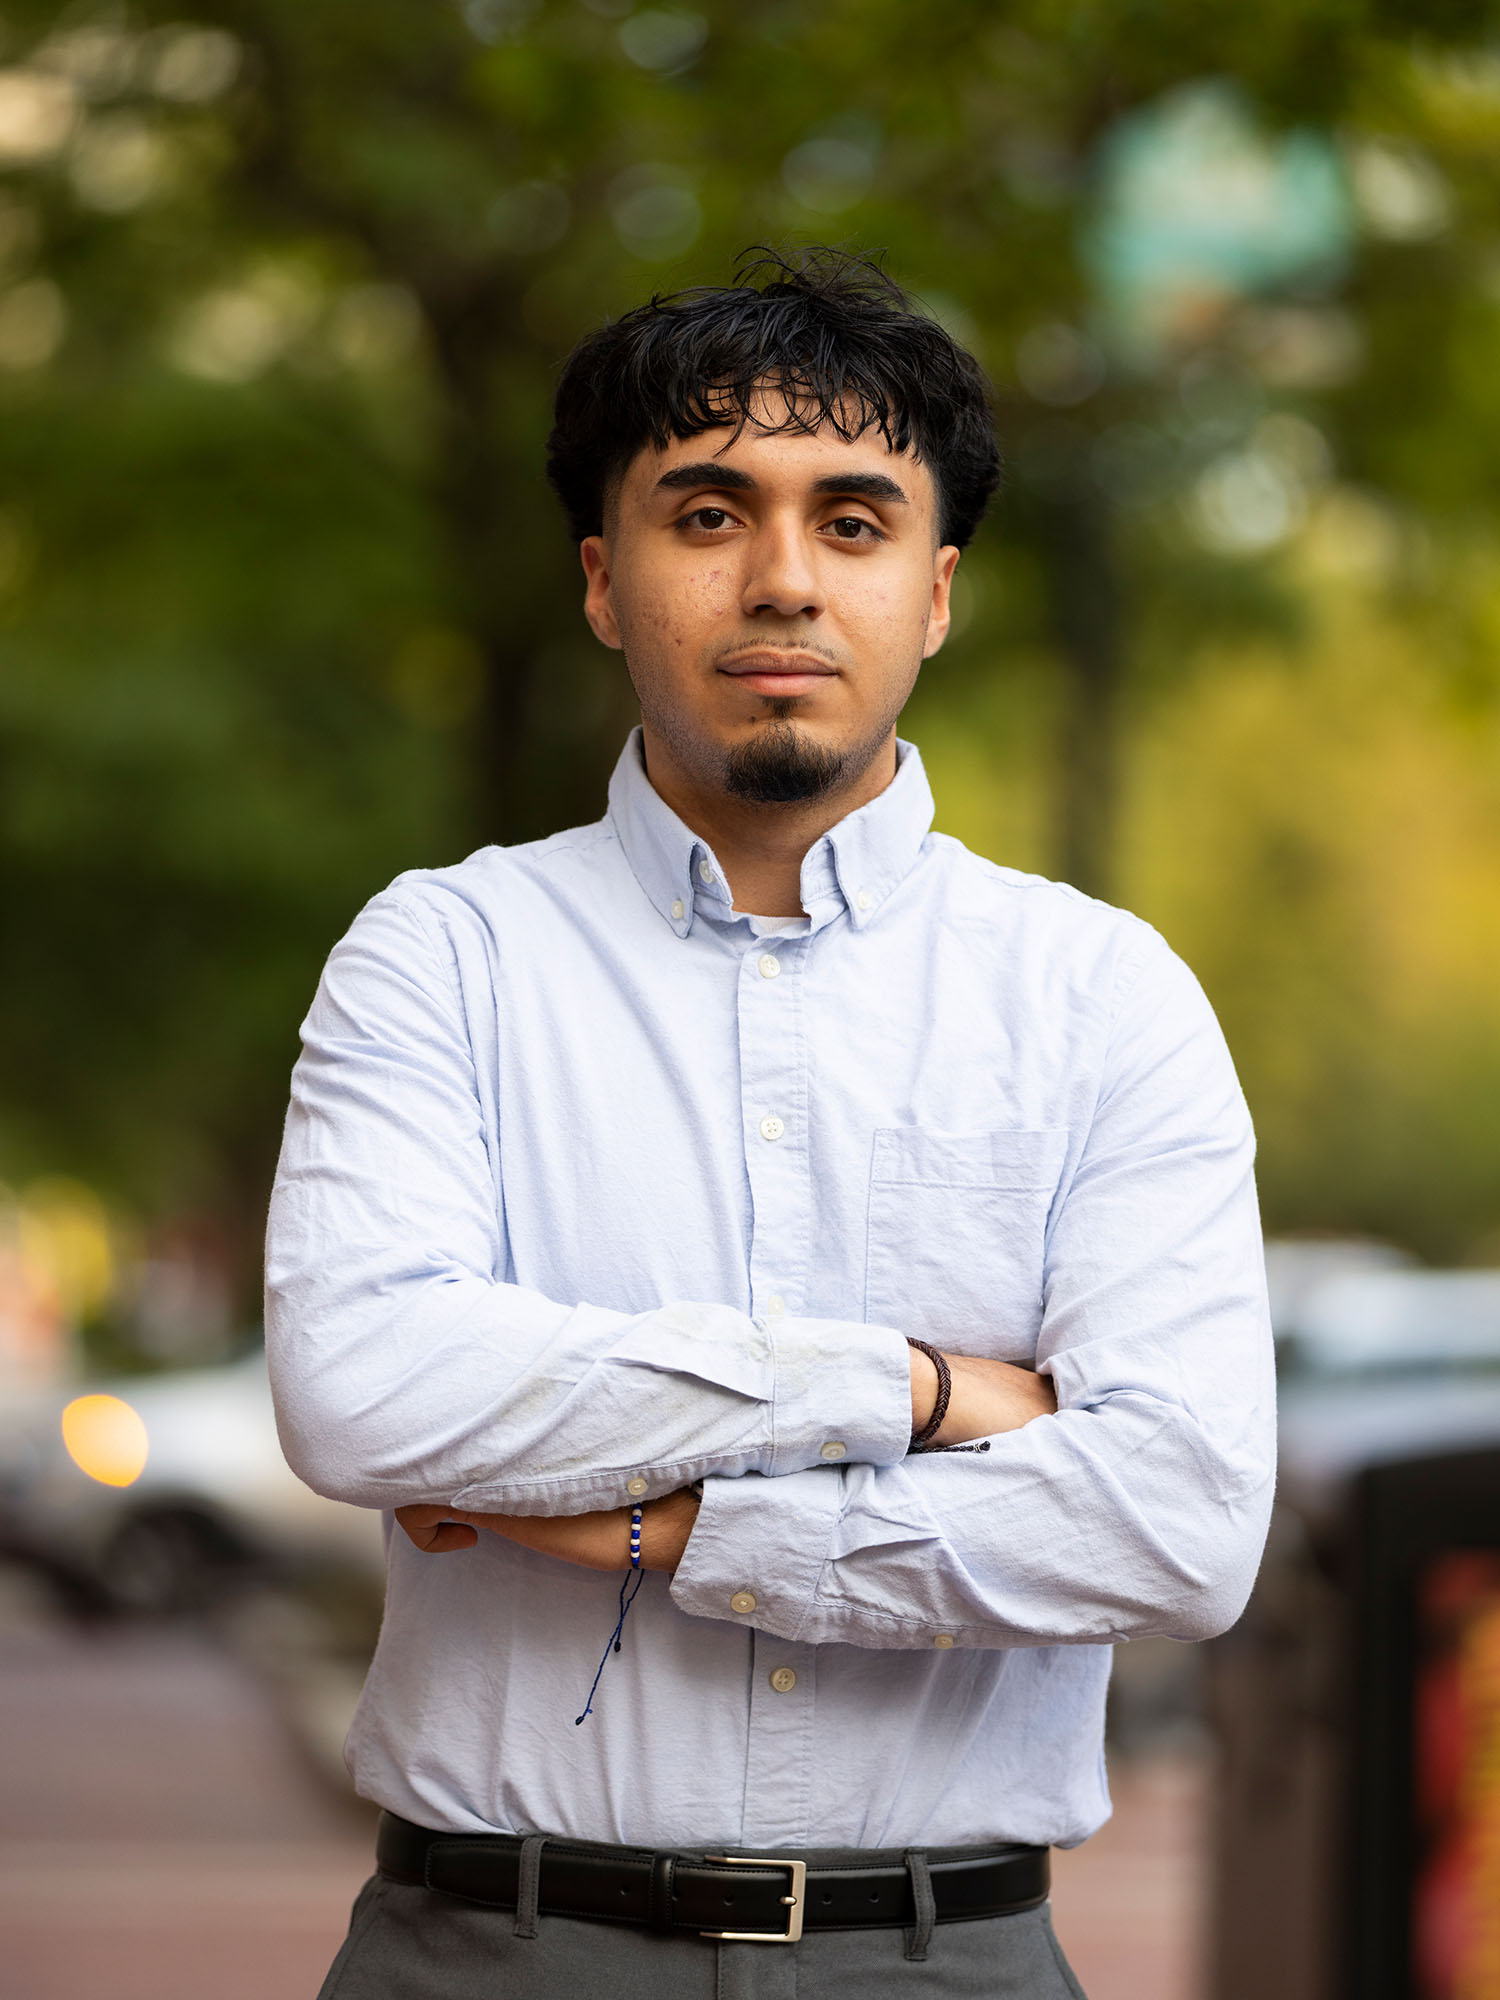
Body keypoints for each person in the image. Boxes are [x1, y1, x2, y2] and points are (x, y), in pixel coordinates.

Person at [265, 247, 1276, 2000]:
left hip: (949, 1956)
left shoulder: (1100, 995)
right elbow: (364, 1383)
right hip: (494, 1950)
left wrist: (661, 1525)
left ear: (938, 592)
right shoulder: (445, 954)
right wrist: (916, 1393)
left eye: (857, 521)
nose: (785, 579)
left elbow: (1179, 1520)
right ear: (603, 578)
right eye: (710, 513)